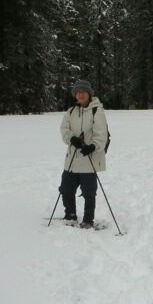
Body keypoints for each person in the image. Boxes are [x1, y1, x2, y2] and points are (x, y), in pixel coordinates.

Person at [58, 80, 108, 228]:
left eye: (83, 92)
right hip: (72, 160)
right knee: (66, 189)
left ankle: (88, 219)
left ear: (88, 94)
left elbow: (101, 134)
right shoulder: (71, 111)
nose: (80, 94)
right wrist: (71, 138)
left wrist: (92, 146)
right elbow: (64, 129)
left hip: (89, 159)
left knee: (89, 192)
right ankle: (70, 215)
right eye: (78, 92)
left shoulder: (97, 111)